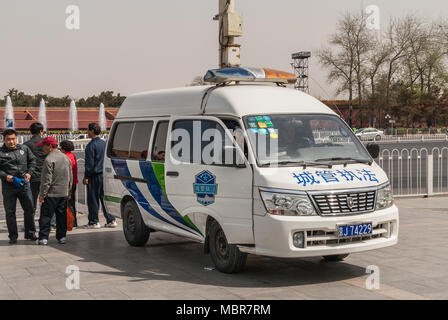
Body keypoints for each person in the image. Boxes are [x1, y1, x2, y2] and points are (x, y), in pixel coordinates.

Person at [0, 129, 37, 244]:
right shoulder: (0, 152)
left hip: (24, 184)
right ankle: (13, 236)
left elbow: (33, 161)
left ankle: (30, 233)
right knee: (10, 212)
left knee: (30, 209)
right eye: (8, 139)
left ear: (16, 138)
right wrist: (6, 176)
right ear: (4, 139)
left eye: (13, 139)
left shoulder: (24, 149)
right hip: (9, 187)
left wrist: (29, 173)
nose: (11, 142)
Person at [36, 137, 72, 245]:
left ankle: (43, 238)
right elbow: (70, 177)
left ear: (50, 146)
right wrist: (69, 191)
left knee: (46, 216)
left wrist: (42, 194)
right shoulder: (66, 158)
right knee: (61, 216)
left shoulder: (49, 159)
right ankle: (62, 237)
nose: (42, 148)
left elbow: (47, 179)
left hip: (51, 194)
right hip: (63, 193)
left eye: (44, 146)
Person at [82, 123, 117, 229]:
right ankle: (111, 219)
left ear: (92, 131)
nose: (87, 132)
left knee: (93, 199)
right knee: (104, 197)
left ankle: (94, 221)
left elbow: (90, 164)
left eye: (88, 130)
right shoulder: (105, 144)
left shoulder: (91, 146)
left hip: (94, 175)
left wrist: (86, 177)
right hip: (105, 174)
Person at [24, 123, 48, 229]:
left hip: (32, 176)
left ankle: (30, 226)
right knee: (46, 201)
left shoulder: (26, 144)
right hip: (46, 176)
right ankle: (47, 224)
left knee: (31, 202)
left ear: (30, 131)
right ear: (41, 131)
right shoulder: (46, 143)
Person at [59, 140, 78, 227]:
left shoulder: (65, 157)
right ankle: (73, 222)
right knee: (71, 203)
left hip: (67, 183)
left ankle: (70, 222)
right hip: (73, 182)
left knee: (67, 204)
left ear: (63, 148)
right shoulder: (72, 155)